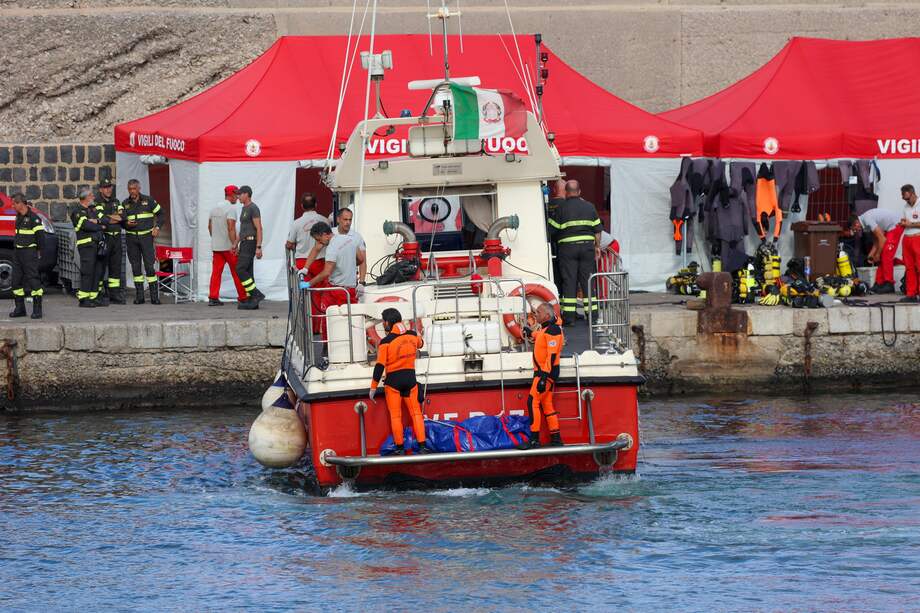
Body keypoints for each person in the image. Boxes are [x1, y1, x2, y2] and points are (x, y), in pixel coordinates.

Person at [368, 308, 431, 455]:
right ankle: (422, 446)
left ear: (388, 323)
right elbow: (421, 344)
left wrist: (373, 388)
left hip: (393, 383)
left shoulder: (386, 342)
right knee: (416, 414)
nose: (383, 325)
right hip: (410, 381)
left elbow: (379, 366)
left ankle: (400, 448)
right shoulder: (413, 335)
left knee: (396, 416)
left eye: (383, 322)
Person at [547, 180, 602, 325]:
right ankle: (592, 316)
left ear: (566, 192)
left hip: (567, 250)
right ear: (579, 191)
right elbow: (597, 230)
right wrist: (597, 247)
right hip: (587, 249)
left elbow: (551, 230)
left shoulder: (561, 208)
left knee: (569, 282)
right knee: (587, 282)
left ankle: (570, 318)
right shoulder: (590, 207)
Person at [300, 222, 365, 335]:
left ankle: (327, 346)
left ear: (325, 235)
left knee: (328, 318)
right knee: (352, 320)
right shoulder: (351, 239)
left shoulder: (331, 248)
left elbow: (326, 272)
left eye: (319, 240)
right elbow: (360, 259)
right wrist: (347, 265)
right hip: (351, 288)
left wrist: (309, 283)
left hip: (335, 290)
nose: (320, 244)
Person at [517, 303, 564, 449]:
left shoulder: (554, 331)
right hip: (544, 373)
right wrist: (529, 332)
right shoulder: (547, 329)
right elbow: (538, 336)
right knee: (547, 405)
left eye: (538, 312)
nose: (535, 314)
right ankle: (556, 439)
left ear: (547, 316)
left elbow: (551, 356)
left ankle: (534, 440)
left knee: (532, 402)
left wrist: (543, 378)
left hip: (545, 374)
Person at [122, 179, 165, 305]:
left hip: (146, 238)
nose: (132, 191)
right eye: (130, 189)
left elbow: (161, 214)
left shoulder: (149, 200)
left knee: (149, 267)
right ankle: (139, 296)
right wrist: (126, 223)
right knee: (135, 267)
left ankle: (154, 297)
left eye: (134, 189)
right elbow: (121, 222)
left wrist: (157, 227)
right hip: (131, 239)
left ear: (139, 188)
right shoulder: (125, 203)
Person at [208, 185, 248, 306]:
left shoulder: (214, 208)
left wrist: (215, 238)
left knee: (216, 273)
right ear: (231, 195)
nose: (237, 196)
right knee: (237, 272)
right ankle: (243, 297)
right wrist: (234, 245)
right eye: (236, 194)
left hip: (216, 246)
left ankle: (213, 297)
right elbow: (231, 227)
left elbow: (209, 227)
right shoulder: (231, 209)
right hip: (228, 247)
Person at [8, 193, 45, 319]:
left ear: (21, 203)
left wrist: (39, 251)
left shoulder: (34, 218)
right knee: (15, 281)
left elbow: (41, 237)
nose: (12, 206)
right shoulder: (18, 217)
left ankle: (37, 310)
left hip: (29, 253)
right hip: (18, 252)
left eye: (14, 203)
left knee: (33, 280)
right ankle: (20, 309)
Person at [851, 208, 904, 294]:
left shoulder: (867, 220)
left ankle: (889, 284)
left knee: (886, 254)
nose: (855, 231)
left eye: (854, 229)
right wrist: (871, 255)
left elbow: (882, 239)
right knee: (883, 254)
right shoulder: (864, 224)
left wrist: (877, 254)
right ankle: (879, 282)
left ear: (856, 223)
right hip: (889, 228)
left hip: (896, 225)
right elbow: (876, 240)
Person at [72, 187, 107, 308]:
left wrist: (96, 221)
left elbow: (105, 220)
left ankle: (93, 297)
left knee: (97, 272)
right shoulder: (77, 211)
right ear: (86, 197)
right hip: (86, 246)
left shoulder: (92, 210)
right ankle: (84, 299)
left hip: (97, 245)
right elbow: (86, 225)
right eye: (92, 195)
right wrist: (99, 226)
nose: (93, 197)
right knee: (87, 272)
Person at [94, 178, 125, 305]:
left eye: (110, 187)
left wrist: (111, 217)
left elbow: (123, 217)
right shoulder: (97, 202)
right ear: (101, 189)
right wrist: (114, 218)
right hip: (105, 237)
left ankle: (114, 294)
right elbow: (103, 219)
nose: (108, 189)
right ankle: (99, 293)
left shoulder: (116, 201)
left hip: (117, 238)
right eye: (105, 187)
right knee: (100, 267)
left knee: (116, 266)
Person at [236, 185, 264, 310]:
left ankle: (255, 294)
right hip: (244, 242)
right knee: (248, 271)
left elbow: (259, 228)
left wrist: (258, 246)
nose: (238, 196)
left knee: (240, 269)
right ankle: (253, 301)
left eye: (240, 194)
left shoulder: (253, 208)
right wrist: (236, 243)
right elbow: (242, 230)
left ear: (246, 194)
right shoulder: (244, 209)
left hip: (250, 243)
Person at [285, 192, 326, 271]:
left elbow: (289, 244)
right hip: (319, 261)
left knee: (304, 283)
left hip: (302, 261)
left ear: (302, 206)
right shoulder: (324, 220)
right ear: (316, 205)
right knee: (319, 283)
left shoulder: (296, 223)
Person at [334, 207, 367, 294]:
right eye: (345, 219)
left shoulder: (357, 237)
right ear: (338, 219)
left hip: (350, 285)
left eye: (350, 220)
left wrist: (362, 283)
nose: (348, 222)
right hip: (332, 284)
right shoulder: (331, 234)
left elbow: (363, 261)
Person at [899, 184, 920, 303]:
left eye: (907, 197)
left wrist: (910, 224)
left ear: (912, 193)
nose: (905, 200)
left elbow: (911, 223)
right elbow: (906, 222)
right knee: (909, 268)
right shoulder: (906, 207)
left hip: (918, 238)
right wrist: (903, 223)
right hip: (907, 239)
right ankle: (911, 293)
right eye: (903, 198)